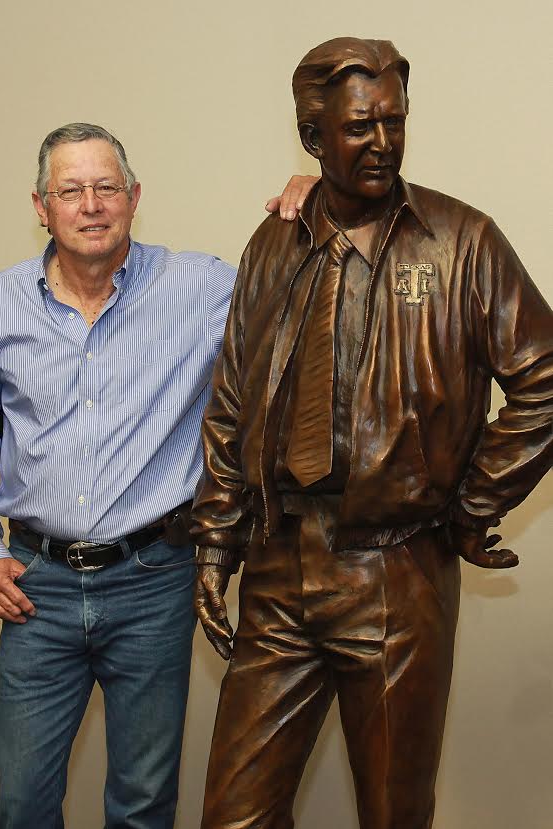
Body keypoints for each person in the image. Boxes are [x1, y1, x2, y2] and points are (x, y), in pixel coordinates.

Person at [192, 38, 553, 829]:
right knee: (234, 815)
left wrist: (471, 501)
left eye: (395, 122)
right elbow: (230, 407)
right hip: (279, 569)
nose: (384, 143)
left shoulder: (462, 242)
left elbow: (544, 376)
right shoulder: (270, 247)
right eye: (361, 127)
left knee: (394, 813)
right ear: (315, 137)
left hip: (395, 574)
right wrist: (216, 542)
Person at [0, 122, 315, 829]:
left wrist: (317, 199)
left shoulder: (200, 288)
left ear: (134, 197)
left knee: (143, 804)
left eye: (106, 187)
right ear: (41, 206)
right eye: (71, 190)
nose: (91, 205)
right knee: (22, 805)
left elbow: (296, 296)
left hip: (154, 582)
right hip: (35, 584)